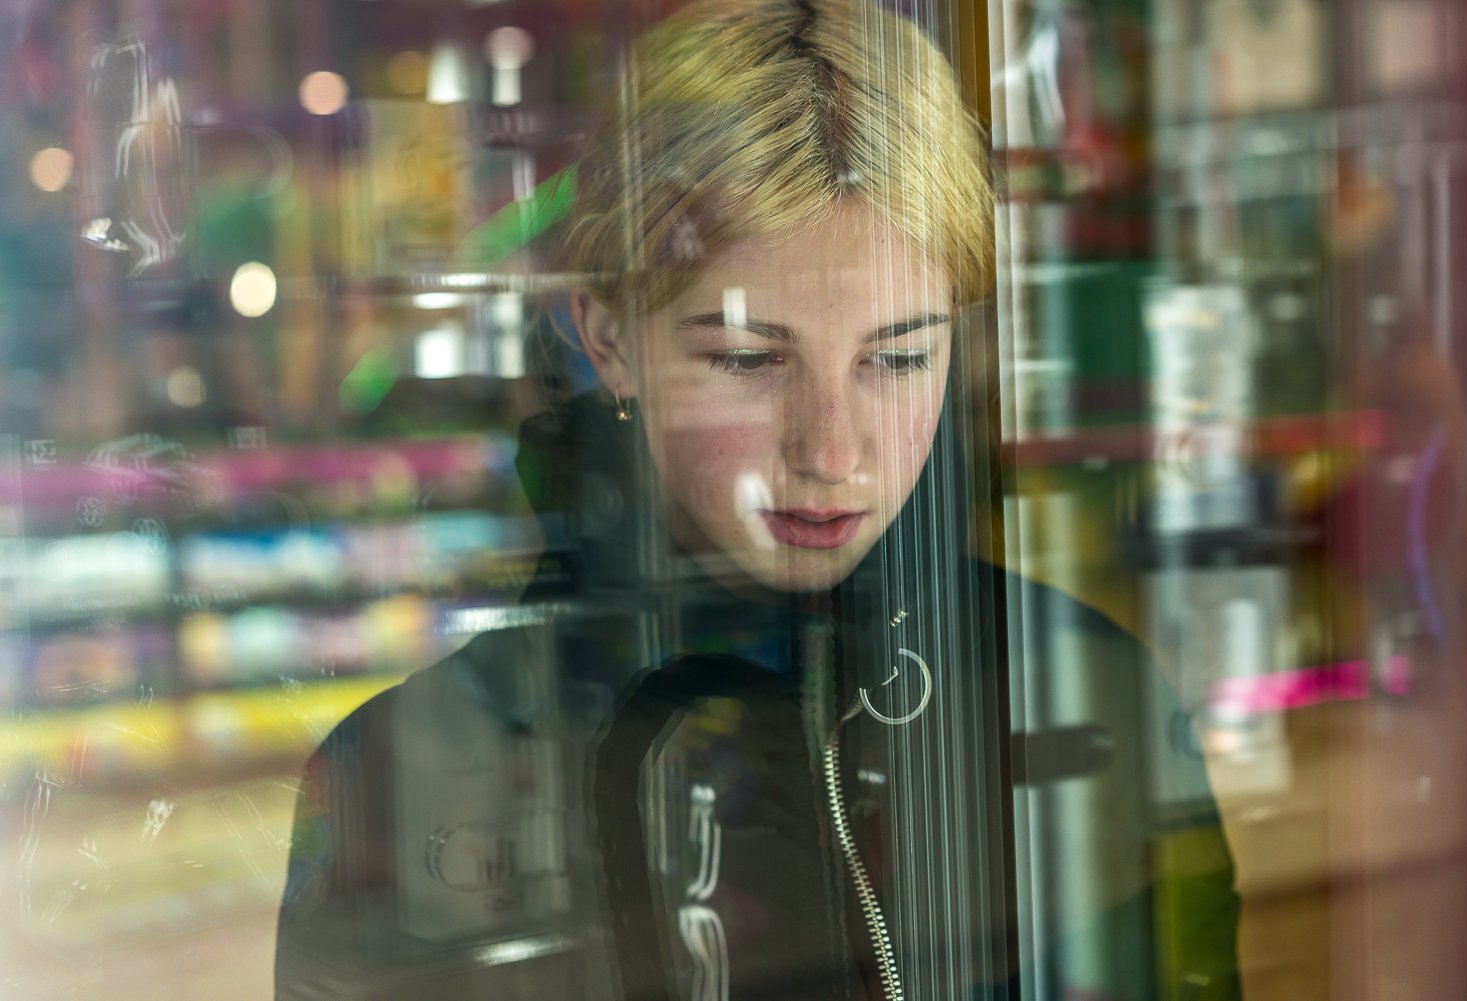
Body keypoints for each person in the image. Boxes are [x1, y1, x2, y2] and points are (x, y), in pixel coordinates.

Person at [275, 1, 1241, 999]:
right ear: (607, 338)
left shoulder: (1080, 683)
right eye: (748, 358)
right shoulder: (398, 776)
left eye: (901, 356)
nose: (831, 449)